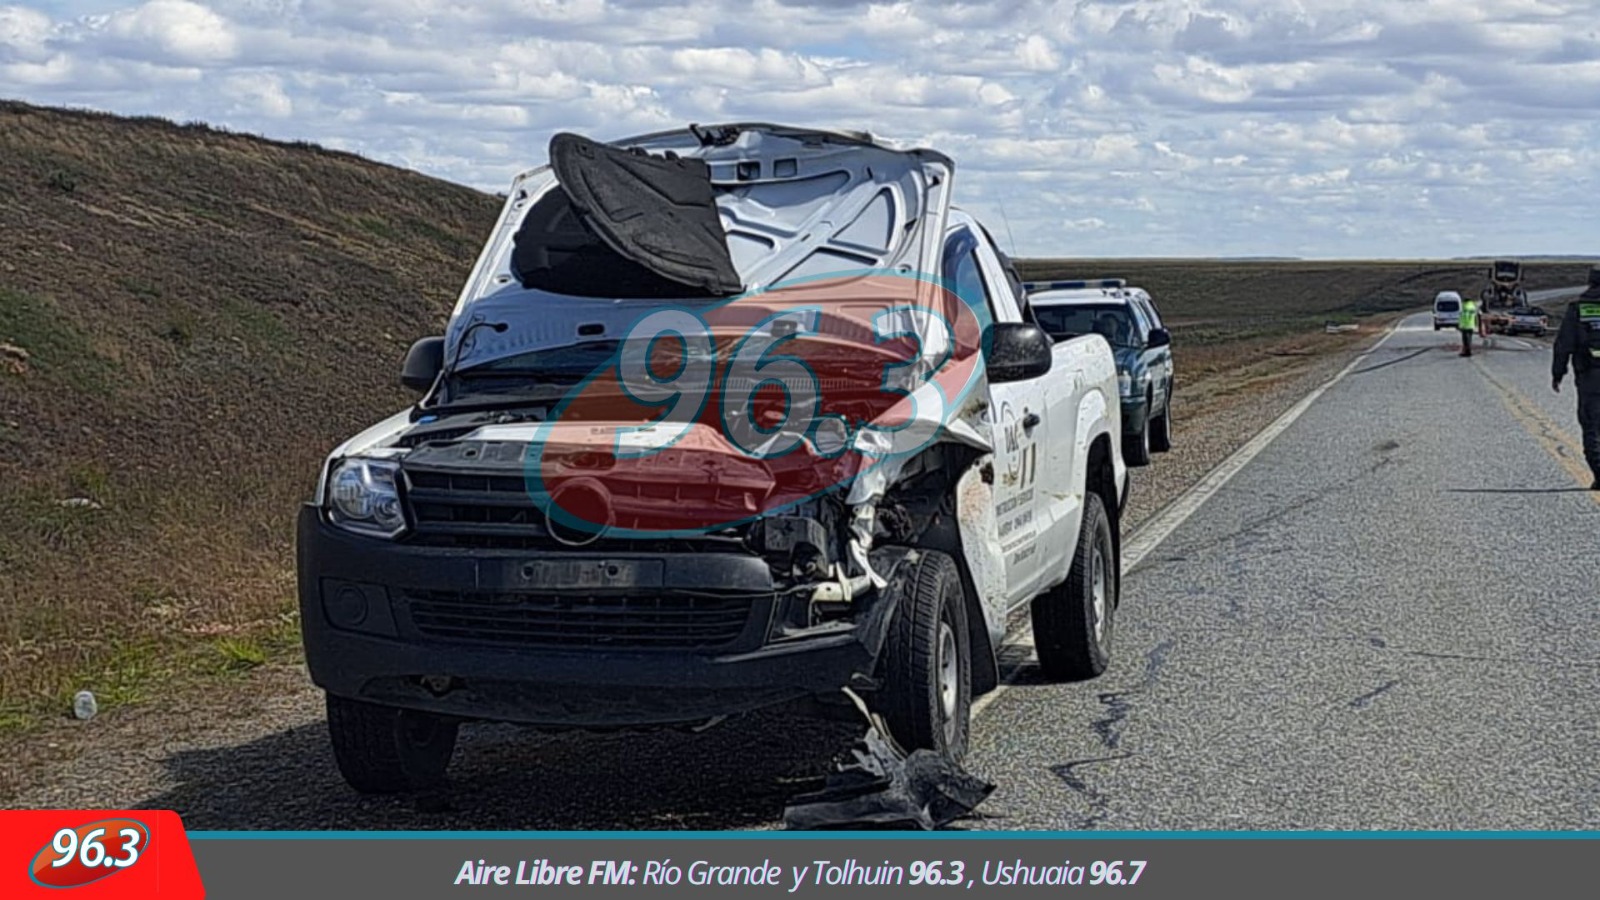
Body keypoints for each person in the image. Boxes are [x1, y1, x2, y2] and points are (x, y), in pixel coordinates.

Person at [1551, 265, 1600, 490]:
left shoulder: (1578, 309)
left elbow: (1563, 344)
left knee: (1592, 426)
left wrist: (1558, 373)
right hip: (1588, 373)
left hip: (1589, 375)